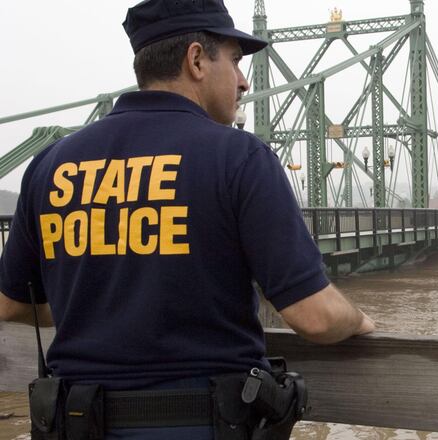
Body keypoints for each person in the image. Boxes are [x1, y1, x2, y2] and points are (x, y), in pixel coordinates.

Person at [0, 0, 374, 438]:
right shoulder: (240, 157)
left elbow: (11, 303)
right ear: (196, 60)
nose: (243, 80)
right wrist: (359, 320)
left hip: (77, 423)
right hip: (203, 423)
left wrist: (87, 301)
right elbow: (317, 318)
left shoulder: (51, 164)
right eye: (235, 60)